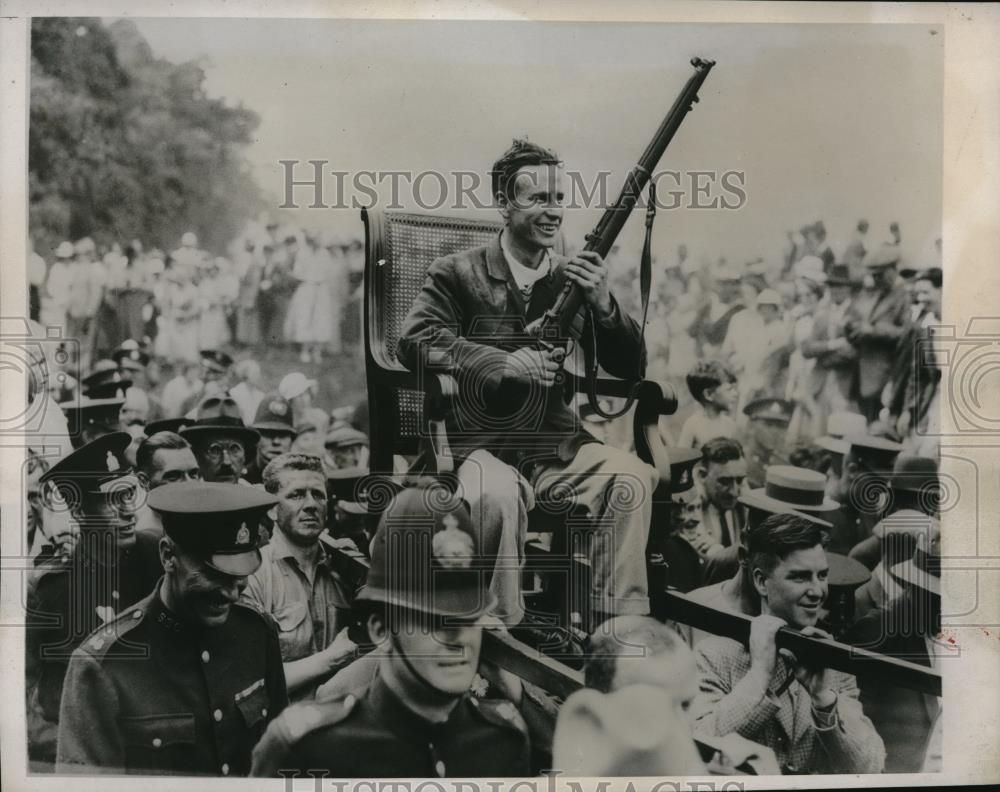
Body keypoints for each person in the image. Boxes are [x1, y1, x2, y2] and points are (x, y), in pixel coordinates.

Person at [395, 139, 658, 628]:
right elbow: (413, 342)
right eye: (538, 198)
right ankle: (499, 638)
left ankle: (614, 634)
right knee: (496, 495)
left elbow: (632, 367)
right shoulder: (455, 272)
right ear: (503, 204)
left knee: (631, 478)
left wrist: (604, 305)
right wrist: (502, 364)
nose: (552, 211)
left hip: (555, 446)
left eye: (559, 198)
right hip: (477, 445)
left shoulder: (573, 279)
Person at [251, 486, 533, 777]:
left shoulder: (502, 738)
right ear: (380, 630)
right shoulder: (309, 748)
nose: (457, 638)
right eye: (432, 621)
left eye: (469, 617)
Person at [56, 481, 289, 775]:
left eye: (239, 576)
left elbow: (282, 757)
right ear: (168, 555)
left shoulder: (255, 629)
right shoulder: (103, 665)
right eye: (213, 574)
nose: (230, 593)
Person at [690, 513, 886, 774]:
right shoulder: (714, 656)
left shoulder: (833, 666)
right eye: (800, 577)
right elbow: (696, 748)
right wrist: (759, 677)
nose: (818, 591)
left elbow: (871, 768)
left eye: (822, 576)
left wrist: (823, 698)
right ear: (761, 581)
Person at [26, 433, 162, 768]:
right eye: (111, 500)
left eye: (129, 494)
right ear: (78, 508)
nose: (129, 511)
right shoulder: (52, 588)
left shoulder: (156, 559)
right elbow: (26, 692)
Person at [241, 454, 357, 701]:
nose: (311, 504)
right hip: (284, 730)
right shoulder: (253, 575)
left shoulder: (345, 568)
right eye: (296, 495)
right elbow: (250, 683)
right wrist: (329, 659)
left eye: (318, 494)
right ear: (272, 508)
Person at [845, 243, 911, 423]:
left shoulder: (905, 297)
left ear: (892, 271)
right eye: (873, 275)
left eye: (879, 275)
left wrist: (873, 331)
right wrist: (853, 330)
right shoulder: (880, 294)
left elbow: (907, 335)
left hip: (884, 377)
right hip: (864, 376)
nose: (875, 280)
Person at [801, 263, 858, 417]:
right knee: (817, 434)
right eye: (831, 286)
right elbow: (806, 349)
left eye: (840, 286)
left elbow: (852, 352)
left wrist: (823, 357)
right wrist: (833, 344)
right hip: (819, 385)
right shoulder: (823, 315)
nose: (835, 290)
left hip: (845, 385)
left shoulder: (857, 313)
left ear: (849, 288)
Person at [133, 431, 202, 537]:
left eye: (193, 474)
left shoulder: (200, 522)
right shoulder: (146, 541)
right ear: (144, 481)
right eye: (174, 476)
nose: (190, 484)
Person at [180, 394, 260, 484]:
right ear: (196, 457)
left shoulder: (254, 494)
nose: (226, 462)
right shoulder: (189, 496)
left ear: (245, 455)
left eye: (234, 449)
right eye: (215, 451)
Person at [696, 437, 748, 562]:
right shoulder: (689, 508)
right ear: (702, 475)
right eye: (724, 482)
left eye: (739, 480)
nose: (734, 492)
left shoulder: (745, 501)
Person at [678, 359, 739, 450]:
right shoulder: (693, 425)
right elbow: (680, 459)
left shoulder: (729, 424)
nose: (735, 394)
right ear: (709, 394)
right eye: (729, 389)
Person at [740, 397, 793, 490]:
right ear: (751, 426)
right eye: (768, 425)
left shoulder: (784, 467)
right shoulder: (740, 463)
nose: (775, 431)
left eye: (781, 426)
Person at [243, 395, 297, 485]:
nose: (276, 442)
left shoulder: (298, 481)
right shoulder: (242, 480)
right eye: (269, 433)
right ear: (256, 438)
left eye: (283, 435)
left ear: (291, 441)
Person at [229, 358, 266, 426]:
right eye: (255, 374)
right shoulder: (234, 393)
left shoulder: (261, 395)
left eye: (258, 373)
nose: (258, 376)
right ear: (246, 375)